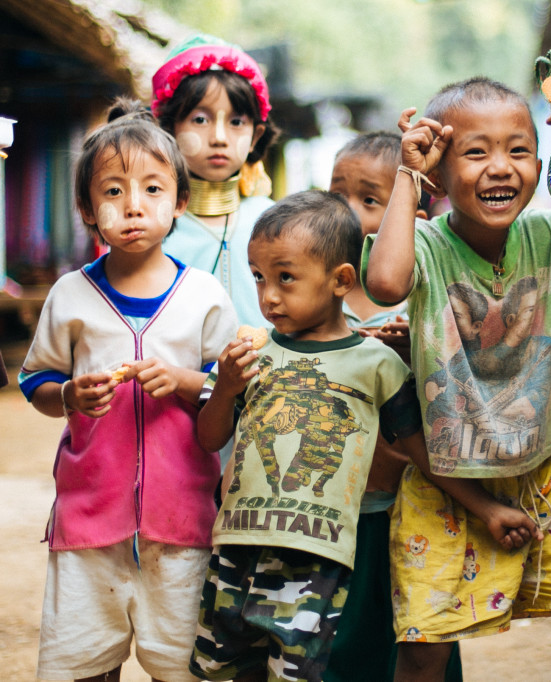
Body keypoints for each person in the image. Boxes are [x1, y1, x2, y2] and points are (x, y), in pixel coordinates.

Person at [364, 76, 551, 681]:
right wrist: (405, 175)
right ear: (440, 167)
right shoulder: (424, 245)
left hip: (541, 475)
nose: (501, 168)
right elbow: (386, 285)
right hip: (444, 485)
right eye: (476, 152)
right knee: (423, 651)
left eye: (519, 149)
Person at [18, 99, 237, 682]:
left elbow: (234, 393)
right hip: (89, 522)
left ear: (180, 203)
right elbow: (34, 380)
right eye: (112, 192)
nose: (133, 205)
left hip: (184, 524)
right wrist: (67, 396)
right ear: (88, 212)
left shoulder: (205, 296)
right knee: (83, 665)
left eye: (152, 189)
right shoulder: (69, 294)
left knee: (185, 667)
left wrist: (191, 383)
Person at [188, 190, 426, 682]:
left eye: (285, 277)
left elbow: (419, 449)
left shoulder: (377, 362)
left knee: (297, 672)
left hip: (318, 556)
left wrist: (485, 506)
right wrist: (227, 388)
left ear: (341, 280)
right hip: (238, 547)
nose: (267, 296)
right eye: (258, 277)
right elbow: (210, 438)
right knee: (228, 668)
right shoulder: (248, 349)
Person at [323, 132, 463, 682]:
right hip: (345, 498)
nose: (350, 213)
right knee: (346, 629)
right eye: (339, 194)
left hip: (417, 493)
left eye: (370, 200)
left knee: (423, 625)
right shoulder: (321, 284)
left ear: (411, 213)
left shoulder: (419, 285)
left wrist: (414, 344)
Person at [152, 34, 280, 327]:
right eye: (200, 119)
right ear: (169, 129)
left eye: (236, 122)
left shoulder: (276, 220)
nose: (219, 138)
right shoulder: (151, 225)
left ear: (255, 136)